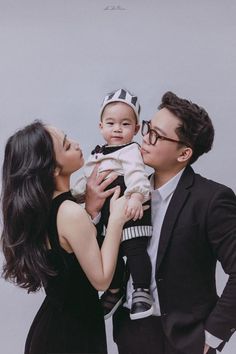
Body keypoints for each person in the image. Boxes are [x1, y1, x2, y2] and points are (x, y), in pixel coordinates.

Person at [85, 91, 236, 354]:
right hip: (131, 332)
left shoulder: (211, 199)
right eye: (147, 128)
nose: (145, 138)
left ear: (184, 153)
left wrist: (212, 337)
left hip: (186, 340)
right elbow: (101, 252)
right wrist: (93, 211)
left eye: (156, 134)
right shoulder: (124, 186)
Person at [0, 120, 135, 354]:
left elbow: (70, 257)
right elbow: (101, 279)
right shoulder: (70, 212)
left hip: (57, 327)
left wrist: (91, 212)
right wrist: (115, 220)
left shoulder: (45, 208)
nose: (75, 143)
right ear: (53, 169)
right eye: (66, 145)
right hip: (70, 336)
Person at [72, 88, 153, 320]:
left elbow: (138, 174)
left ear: (136, 129)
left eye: (125, 124)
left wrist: (137, 196)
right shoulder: (96, 155)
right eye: (111, 123)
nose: (117, 129)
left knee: (136, 251)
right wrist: (76, 194)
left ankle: (141, 290)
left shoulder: (131, 151)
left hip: (129, 208)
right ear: (101, 127)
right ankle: (115, 289)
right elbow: (89, 180)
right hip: (107, 214)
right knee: (110, 254)